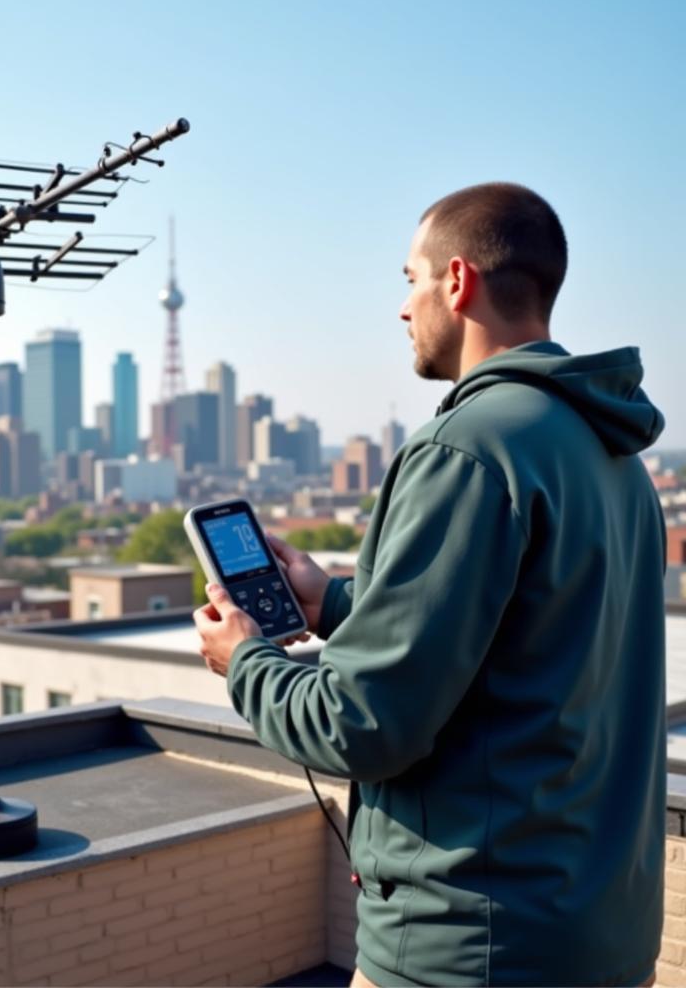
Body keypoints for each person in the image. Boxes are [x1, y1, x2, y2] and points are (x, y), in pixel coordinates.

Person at [194, 183, 667, 987]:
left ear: (457, 280)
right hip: (599, 937)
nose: (403, 309)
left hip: (472, 952)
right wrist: (336, 604)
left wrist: (244, 662)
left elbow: (363, 727)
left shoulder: (468, 448)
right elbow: (529, 646)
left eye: (409, 279)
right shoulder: (614, 456)